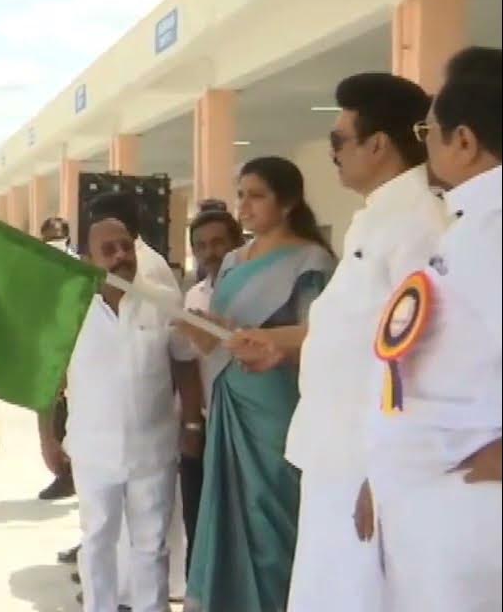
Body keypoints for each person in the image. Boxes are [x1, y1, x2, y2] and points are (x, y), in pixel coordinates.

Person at [223, 73, 442, 612]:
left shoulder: (419, 224)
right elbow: (356, 331)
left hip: (366, 463)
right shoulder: (375, 220)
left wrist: (383, 470)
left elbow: (420, 358)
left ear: (379, 144)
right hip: (333, 452)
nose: (333, 154)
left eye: (339, 141)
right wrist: (281, 343)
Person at [361, 74, 501, 612]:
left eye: (429, 129)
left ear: (463, 141)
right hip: (434, 504)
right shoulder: (471, 222)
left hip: (467, 506)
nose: (424, 144)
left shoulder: (494, 231)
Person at [175, 156, 335, 612]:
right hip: (229, 398)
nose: (244, 205)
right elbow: (221, 340)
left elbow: (320, 337)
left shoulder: (311, 260)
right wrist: (207, 330)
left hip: (277, 406)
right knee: (229, 514)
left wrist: (262, 340)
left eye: (257, 195)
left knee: (272, 518)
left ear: (287, 203)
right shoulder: (230, 261)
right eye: (241, 194)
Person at [39, 215, 189, 612]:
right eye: (109, 249)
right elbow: (48, 378)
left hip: (153, 451)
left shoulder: (163, 299)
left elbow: (185, 363)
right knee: (98, 541)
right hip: (93, 452)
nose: (121, 255)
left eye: (126, 246)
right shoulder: (67, 305)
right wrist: (47, 439)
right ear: (89, 258)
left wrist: (192, 422)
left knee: (150, 546)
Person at [172, 202, 244, 572]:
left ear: (237, 242)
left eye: (219, 242)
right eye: (201, 245)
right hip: (204, 428)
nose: (211, 252)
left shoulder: (255, 291)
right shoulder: (194, 297)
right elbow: (187, 363)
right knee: (199, 528)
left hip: (247, 432)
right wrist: (193, 425)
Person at [37, 216, 76, 501]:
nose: (54, 243)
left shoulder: (78, 269)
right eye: (49, 239)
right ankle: (65, 473)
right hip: (52, 349)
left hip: (74, 354)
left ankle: (68, 476)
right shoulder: (41, 268)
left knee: (69, 418)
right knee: (56, 415)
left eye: (58, 237)